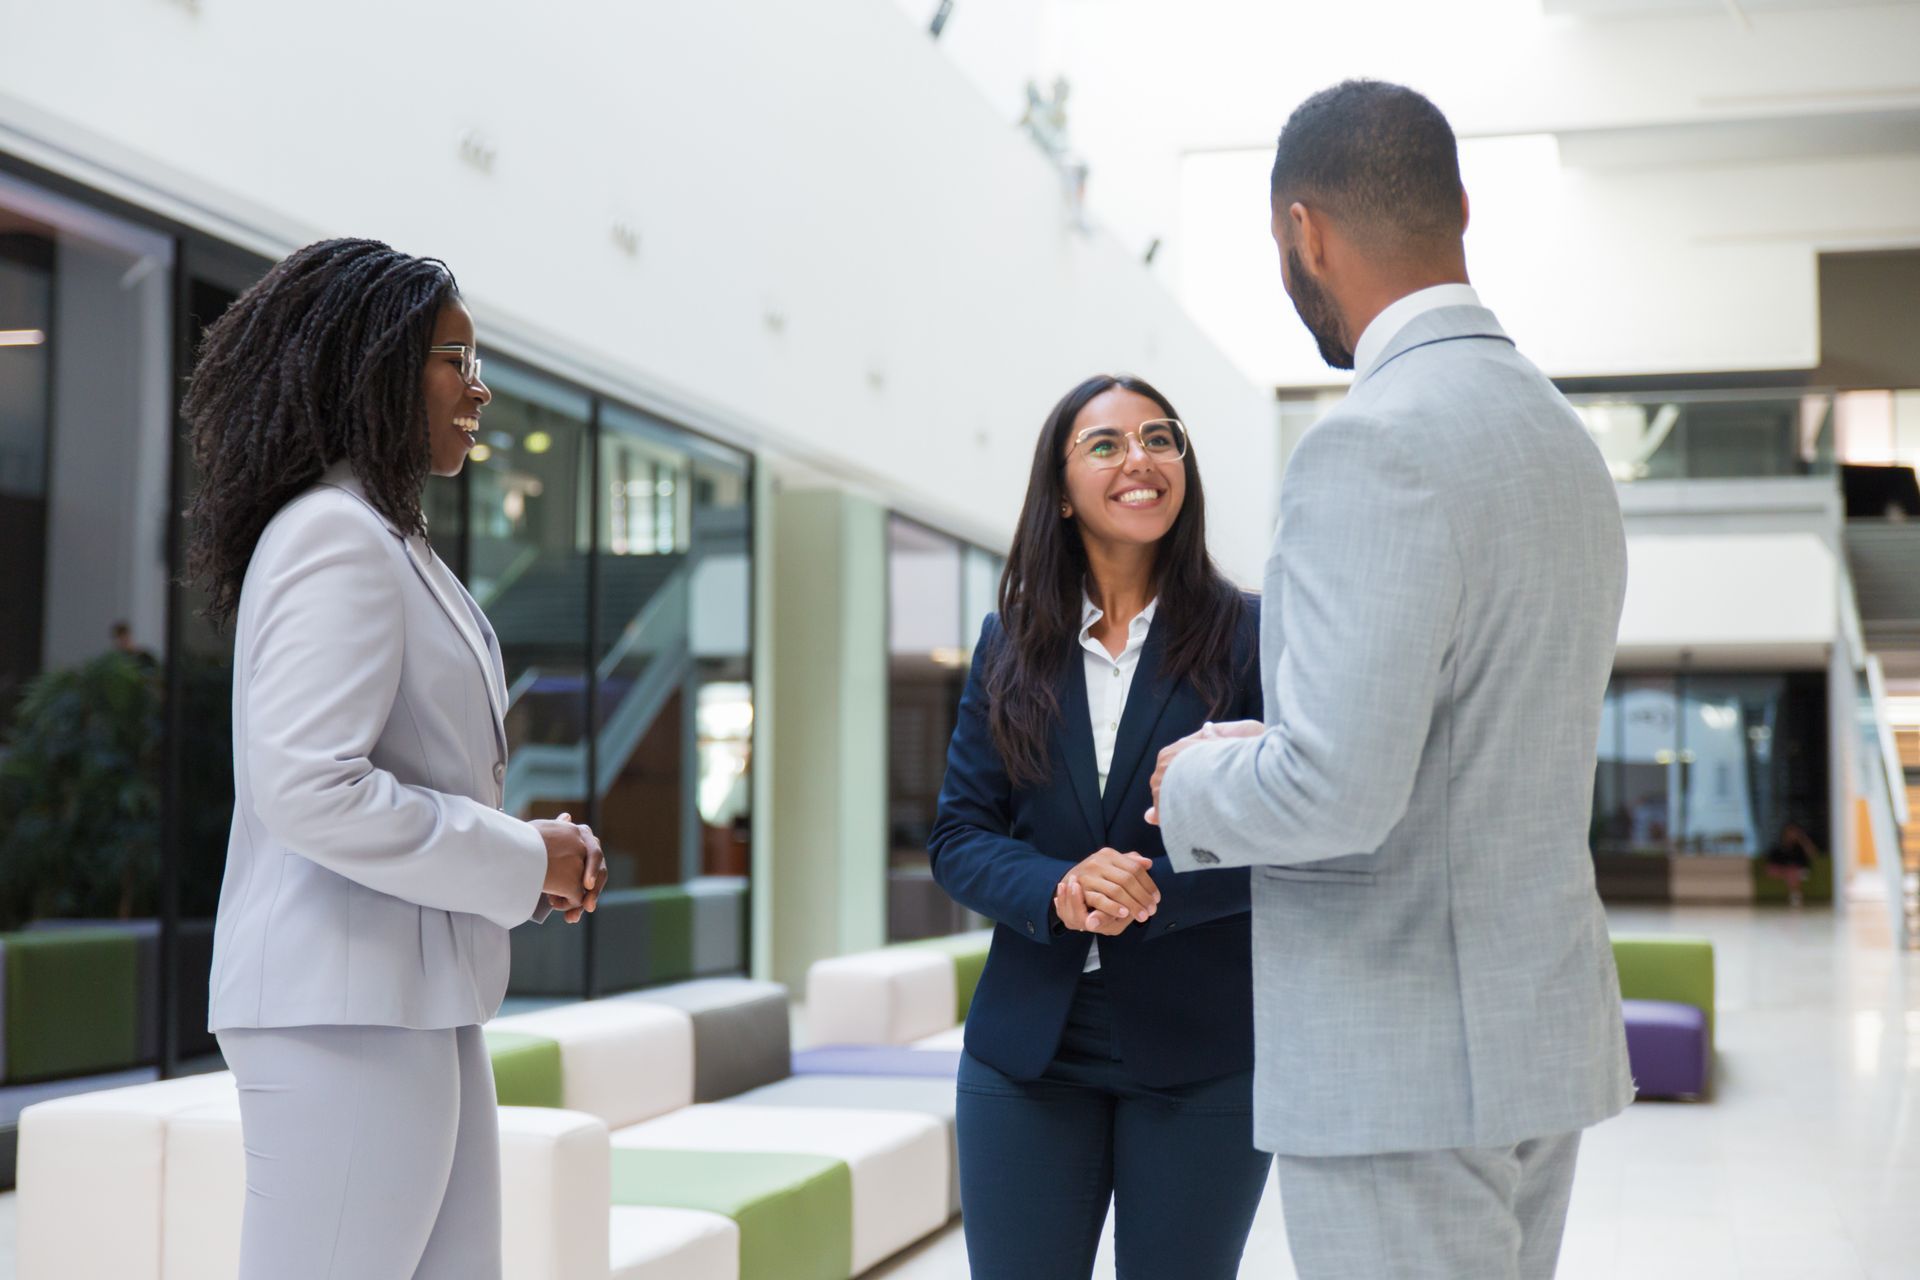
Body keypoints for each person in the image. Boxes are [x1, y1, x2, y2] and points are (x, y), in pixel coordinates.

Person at [1147, 81, 1633, 1280]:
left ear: (1303, 233)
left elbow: (1334, 789)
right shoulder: (1563, 442)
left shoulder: (1367, 445)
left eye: (1281, 248)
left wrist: (1196, 777)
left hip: (1401, 1063)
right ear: (1458, 207)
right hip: (1532, 1038)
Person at [185, 238, 606, 1280]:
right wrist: (520, 858)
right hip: (341, 1006)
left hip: (412, 1000)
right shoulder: (333, 533)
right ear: (375, 367)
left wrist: (528, 849)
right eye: (453, 360)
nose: (481, 388)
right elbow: (310, 786)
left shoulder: (384, 535)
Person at [928, 373, 1270, 1280]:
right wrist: (1062, 886)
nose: (1141, 460)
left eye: (1161, 439)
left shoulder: (1251, 637)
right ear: (1063, 488)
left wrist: (1149, 892)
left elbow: (1293, 831)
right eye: (1107, 444)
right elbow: (960, 836)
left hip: (1203, 1051)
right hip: (1028, 1050)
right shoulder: (1012, 642)